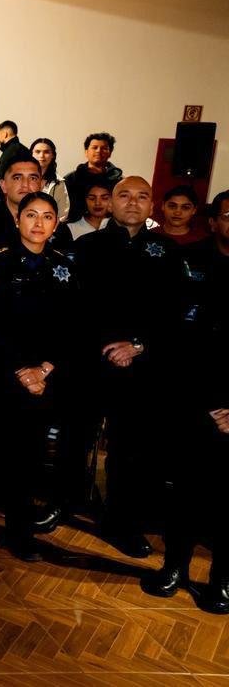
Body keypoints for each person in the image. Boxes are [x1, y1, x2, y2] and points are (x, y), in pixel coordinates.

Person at [0, 192, 81, 561]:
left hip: (43, 380)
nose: (38, 223)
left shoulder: (66, 268)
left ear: (56, 224)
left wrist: (43, 369)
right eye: (31, 215)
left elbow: (74, 328)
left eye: (47, 216)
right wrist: (20, 369)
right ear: (18, 220)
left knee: (27, 462)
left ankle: (20, 535)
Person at [75, 176, 183, 558]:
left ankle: (122, 523)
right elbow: (75, 310)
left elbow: (175, 314)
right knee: (77, 435)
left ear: (152, 205)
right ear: (109, 203)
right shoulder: (86, 248)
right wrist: (103, 348)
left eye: (142, 196)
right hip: (90, 360)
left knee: (131, 448)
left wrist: (138, 346)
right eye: (124, 195)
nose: (133, 203)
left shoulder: (168, 252)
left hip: (142, 365)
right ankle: (67, 503)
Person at [141, 189, 229, 613]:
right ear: (213, 221)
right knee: (186, 490)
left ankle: (222, 580)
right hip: (191, 397)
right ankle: (175, 567)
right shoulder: (187, 259)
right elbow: (167, 332)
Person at [64, 132, 123, 222]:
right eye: (94, 147)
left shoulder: (118, 180)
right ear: (86, 152)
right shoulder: (71, 179)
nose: (99, 151)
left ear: (110, 153)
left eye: (104, 148)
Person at [30, 137, 70, 222]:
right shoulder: (21, 178)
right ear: (31, 154)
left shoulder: (58, 183)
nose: (41, 156)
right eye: (37, 152)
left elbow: (63, 213)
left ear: (53, 155)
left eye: (46, 152)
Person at [63, 176, 113, 241]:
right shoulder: (70, 227)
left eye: (104, 198)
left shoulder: (120, 225)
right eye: (92, 198)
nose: (97, 203)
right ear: (84, 200)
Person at [0, 120, 28, 191]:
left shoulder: (9, 151)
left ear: (5, 134)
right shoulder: (23, 149)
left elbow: (0, 180)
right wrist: (0, 167)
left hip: (11, 196)